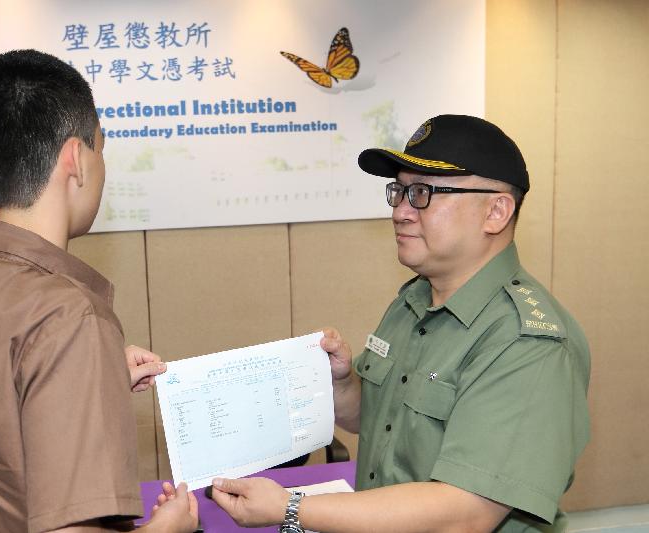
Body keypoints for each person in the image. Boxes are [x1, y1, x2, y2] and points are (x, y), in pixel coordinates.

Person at [211, 114, 591, 532]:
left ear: (496, 212)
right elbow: (382, 423)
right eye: (399, 192)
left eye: (424, 193)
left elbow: (465, 514)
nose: (401, 212)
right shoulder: (413, 300)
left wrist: (291, 508)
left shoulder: (527, 342)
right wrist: (342, 387)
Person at [0, 49, 198, 533]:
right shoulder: (72, 318)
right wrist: (169, 528)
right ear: (77, 159)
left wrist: (85, 381)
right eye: (101, 148)